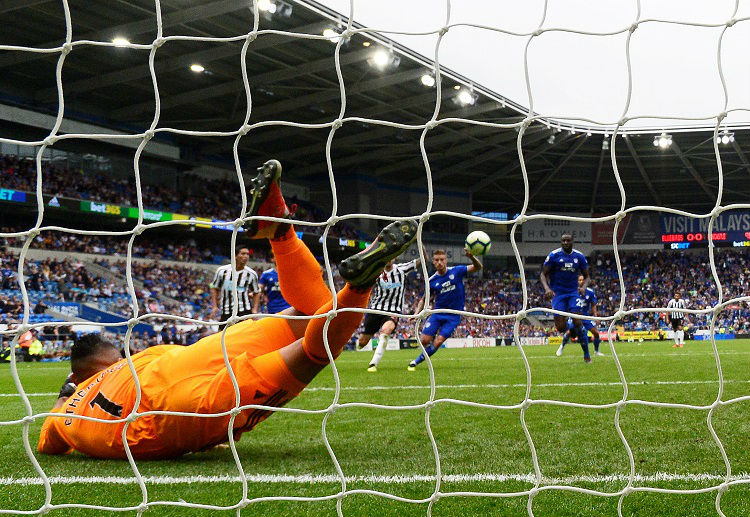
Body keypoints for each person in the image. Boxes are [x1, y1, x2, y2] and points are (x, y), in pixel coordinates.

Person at [37, 159, 418, 459]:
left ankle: (359, 285)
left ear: (79, 374)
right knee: (314, 314)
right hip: (186, 359)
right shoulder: (132, 361)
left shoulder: (68, 413)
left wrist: (67, 391)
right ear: (112, 359)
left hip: (172, 412)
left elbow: (47, 445)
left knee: (314, 353)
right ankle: (280, 230)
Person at [407, 248, 482, 371]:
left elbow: (478, 267)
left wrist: (471, 257)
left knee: (438, 341)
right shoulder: (431, 280)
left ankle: (416, 361)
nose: (439, 262)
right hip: (438, 313)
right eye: (437, 260)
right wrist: (416, 314)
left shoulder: (457, 271)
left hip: (454, 315)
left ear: (446, 260)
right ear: (433, 262)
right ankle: (427, 346)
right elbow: (423, 299)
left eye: (442, 260)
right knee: (424, 341)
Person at [359, 248, 424, 372]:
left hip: (393, 311)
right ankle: (360, 346)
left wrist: (420, 243)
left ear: (395, 257)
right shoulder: (376, 272)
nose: (389, 259)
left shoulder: (402, 269)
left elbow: (423, 259)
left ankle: (373, 363)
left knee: (386, 330)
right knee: (362, 342)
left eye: (391, 256)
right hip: (376, 310)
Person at [540, 233, 591, 362]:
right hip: (558, 293)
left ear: (572, 241)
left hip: (573, 292)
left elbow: (587, 276)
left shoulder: (579, 256)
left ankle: (587, 355)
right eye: (563, 241)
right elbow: (543, 274)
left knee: (578, 321)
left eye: (568, 240)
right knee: (561, 327)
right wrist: (547, 289)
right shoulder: (554, 255)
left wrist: (583, 287)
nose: (566, 243)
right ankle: (571, 329)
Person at [209, 247, 261, 323]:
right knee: (224, 330)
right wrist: (214, 306)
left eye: (247, 254)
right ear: (235, 255)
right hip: (226, 310)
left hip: (244, 310)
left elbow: (256, 292)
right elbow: (214, 288)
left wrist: (255, 309)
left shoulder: (251, 274)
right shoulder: (222, 271)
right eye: (243, 254)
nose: (246, 256)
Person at [557, 275, 602, 357]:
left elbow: (593, 305)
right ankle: (561, 347)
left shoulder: (590, 292)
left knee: (596, 333)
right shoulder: (572, 292)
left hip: (585, 316)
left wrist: (595, 317)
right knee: (569, 332)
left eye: (582, 280)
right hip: (575, 316)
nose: (581, 281)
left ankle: (596, 351)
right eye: (579, 280)